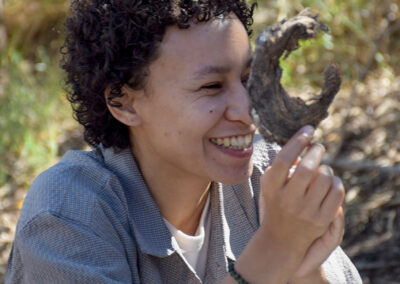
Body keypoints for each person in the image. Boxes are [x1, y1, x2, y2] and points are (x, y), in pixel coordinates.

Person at [6, 0, 362, 283]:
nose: (248, 111)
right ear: (124, 101)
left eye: (248, 79)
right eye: (211, 87)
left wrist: (303, 263)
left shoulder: (269, 179)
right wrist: (274, 251)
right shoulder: (67, 214)